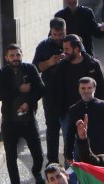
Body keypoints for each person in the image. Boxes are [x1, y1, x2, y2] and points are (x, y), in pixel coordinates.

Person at [0, 43, 46, 184]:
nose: (15, 58)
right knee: (11, 157)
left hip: (28, 120)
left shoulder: (30, 69)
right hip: (10, 122)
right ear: (6, 58)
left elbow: (40, 89)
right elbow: (0, 94)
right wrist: (19, 90)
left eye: (17, 55)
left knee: (37, 153)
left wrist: (28, 103)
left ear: (21, 55)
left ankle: (36, 171)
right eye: (12, 56)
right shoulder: (1, 73)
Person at [52, 35, 104, 164]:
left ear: (77, 49)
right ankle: (71, 181)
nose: (64, 52)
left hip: (90, 113)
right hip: (68, 114)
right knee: (70, 147)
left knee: (90, 146)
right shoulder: (61, 66)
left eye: (67, 49)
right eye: (63, 48)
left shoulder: (93, 64)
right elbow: (56, 91)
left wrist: (98, 108)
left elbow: (102, 91)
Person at [34, 18, 69, 164]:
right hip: (51, 93)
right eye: (55, 35)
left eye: (61, 34)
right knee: (52, 128)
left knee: (69, 128)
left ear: (65, 31)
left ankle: (70, 160)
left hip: (69, 92)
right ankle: (53, 161)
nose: (58, 38)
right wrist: (50, 62)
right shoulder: (43, 46)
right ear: (51, 32)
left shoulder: (72, 43)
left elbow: (84, 59)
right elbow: (35, 68)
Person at [66, 78, 104, 159]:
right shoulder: (73, 109)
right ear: (79, 89)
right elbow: (70, 135)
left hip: (103, 152)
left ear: (94, 89)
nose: (86, 91)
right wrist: (68, 154)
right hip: (82, 153)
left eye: (89, 88)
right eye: (83, 88)